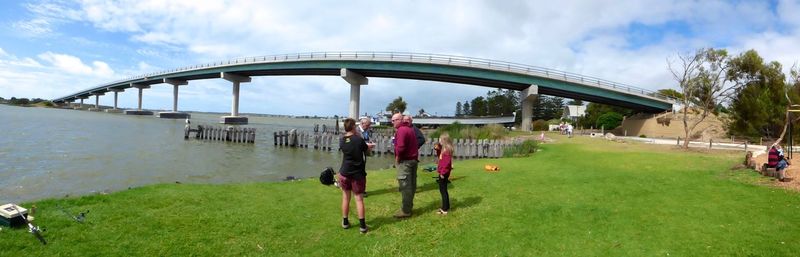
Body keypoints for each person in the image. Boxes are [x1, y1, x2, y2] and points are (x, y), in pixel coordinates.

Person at [337, 118, 369, 233]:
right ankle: (362, 226)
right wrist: (368, 146)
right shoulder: (359, 140)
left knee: (346, 198)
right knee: (359, 199)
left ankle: (345, 222)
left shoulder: (342, 140)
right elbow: (366, 150)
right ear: (353, 127)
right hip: (357, 174)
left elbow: (348, 148)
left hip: (344, 172)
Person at [392, 113, 419, 218]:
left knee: (405, 187)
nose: (392, 122)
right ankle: (408, 207)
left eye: (394, 120)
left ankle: (406, 211)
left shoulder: (402, 130)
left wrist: (398, 157)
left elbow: (401, 147)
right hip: (413, 160)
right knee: (411, 186)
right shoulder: (409, 129)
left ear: (400, 120)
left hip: (406, 162)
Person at [436, 133, 454, 215]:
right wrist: (437, 149)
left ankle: (444, 209)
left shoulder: (446, 150)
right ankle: (446, 206)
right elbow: (440, 157)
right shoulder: (444, 149)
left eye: (440, 139)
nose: (439, 140)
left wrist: (442, 173)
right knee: (443, 190)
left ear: (444, 140)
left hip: (444, 173)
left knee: (443, 190)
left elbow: (446, 163)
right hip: (443, 172)